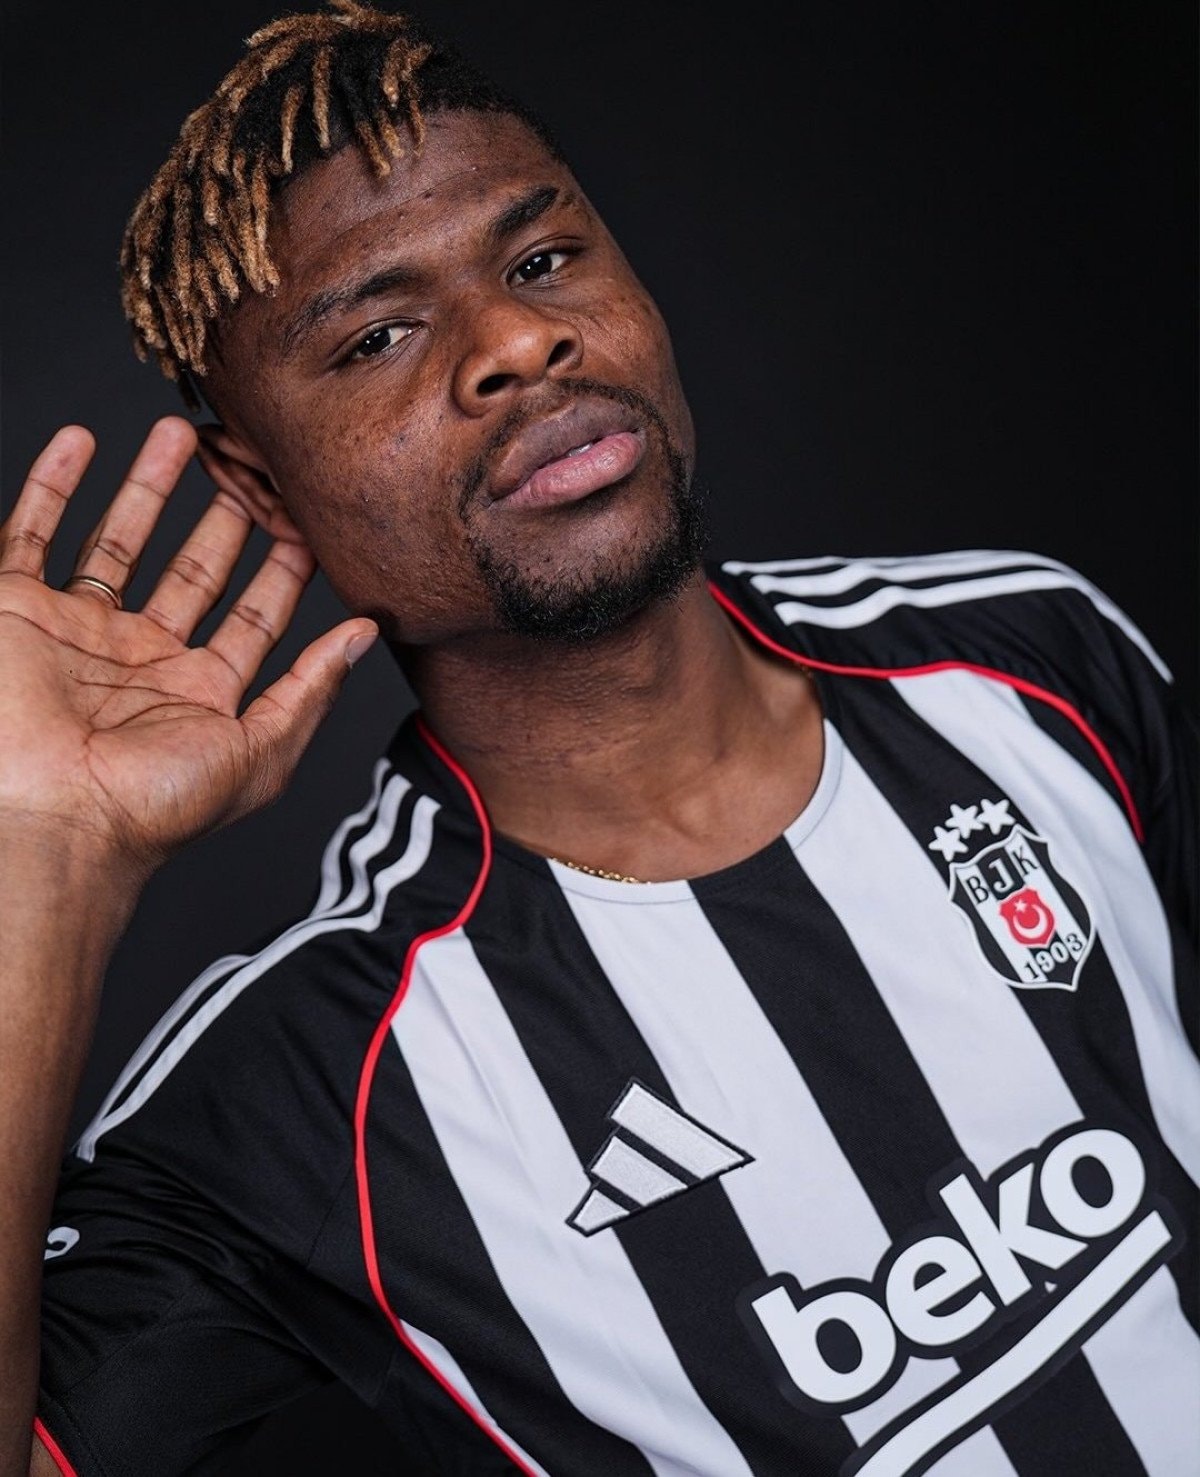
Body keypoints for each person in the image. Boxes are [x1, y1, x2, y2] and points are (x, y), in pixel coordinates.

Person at [2, 2, 1196, 1473]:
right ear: (258, 487)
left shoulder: (1026, 657)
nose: (519, 341)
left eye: (542, 259)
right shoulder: (309, 1082)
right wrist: (38, 853)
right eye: (379, 335)